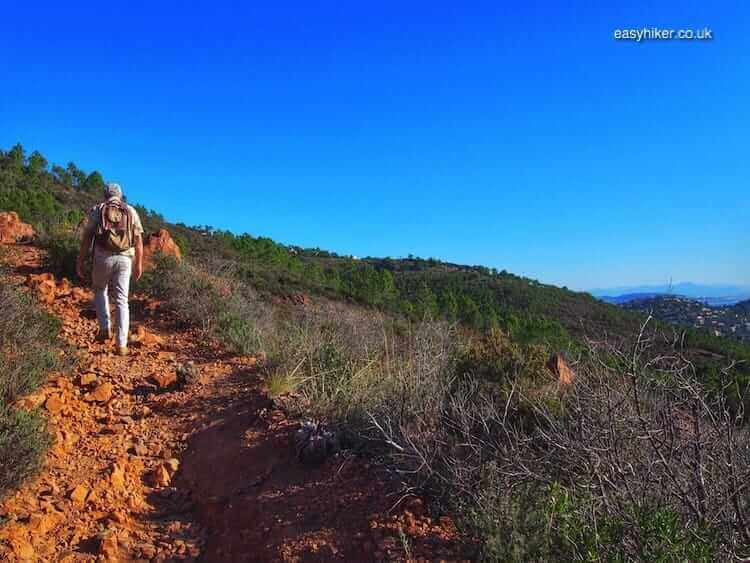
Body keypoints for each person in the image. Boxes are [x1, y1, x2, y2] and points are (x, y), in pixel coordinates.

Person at [76, 182, 144, 355]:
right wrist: (139, 264)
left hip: (102, 256)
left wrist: (80, 260)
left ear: (105, 195)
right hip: (125, 258)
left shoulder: (98, 209)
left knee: (100, 289)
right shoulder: (131, 211)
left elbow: (87, 239)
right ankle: (121, 345)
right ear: (120, 195)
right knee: (122, 300)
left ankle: (105, 328)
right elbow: (138, 242)